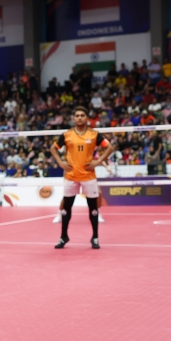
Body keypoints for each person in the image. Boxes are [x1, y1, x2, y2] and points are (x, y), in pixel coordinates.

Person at [50, 106, 114, 249]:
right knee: (66, 208)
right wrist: (60, 162)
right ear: (73, 118)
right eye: (77, 115)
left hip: (88, 176)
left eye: (82, 115)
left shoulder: (94, 134)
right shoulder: (66, 135)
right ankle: (63, 237)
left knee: (93, 208)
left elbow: (110, 148)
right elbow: (53, 148)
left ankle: (95, 237)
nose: (79, 118)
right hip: (71, 176)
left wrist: (98, 161)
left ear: (87, 118)